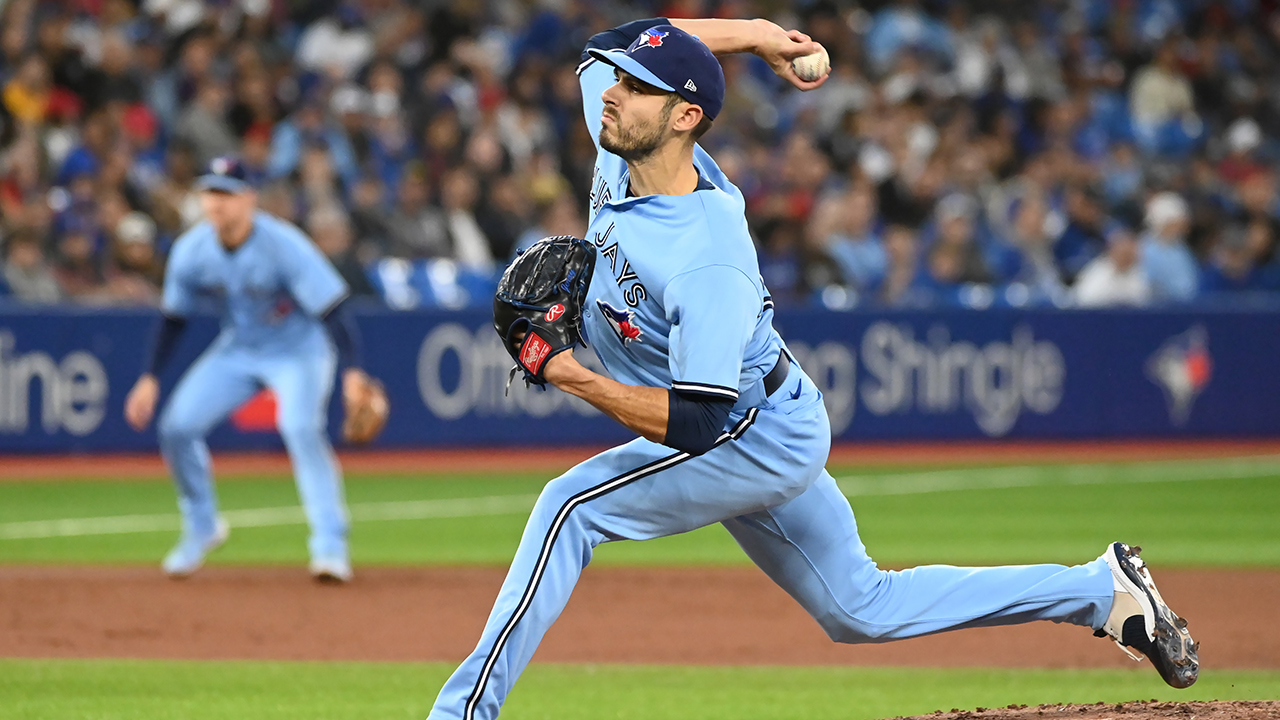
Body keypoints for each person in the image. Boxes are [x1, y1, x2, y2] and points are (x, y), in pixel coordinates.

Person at [427, 19, 1198, 720]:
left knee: (570, 507)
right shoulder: (623, 136)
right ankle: (1099, 590)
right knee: (860, 608)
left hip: (748, 431)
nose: (612, 93)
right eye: (620, 80)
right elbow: (627, 35)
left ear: (685, 117)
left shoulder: (707, 257)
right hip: (769, 416)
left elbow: (699, 422)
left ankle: (461, 714)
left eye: (634, 87)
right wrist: (758, 36)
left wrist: (565, 372)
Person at [123, 156, 377, 583]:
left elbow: (333, 310)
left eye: (225, 193)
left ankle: (330, 546)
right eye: (209, 193)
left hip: (300, 351)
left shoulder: (284, 244)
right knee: (176, 427)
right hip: (238, 349)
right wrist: (150, 377)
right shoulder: (192, 249)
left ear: (249, 199)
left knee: (299, 427)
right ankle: (202, 526)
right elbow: (173, 318)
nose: (216, 203)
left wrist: (353, 372)